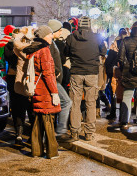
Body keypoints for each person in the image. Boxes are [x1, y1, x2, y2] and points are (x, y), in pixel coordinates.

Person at [63, 15, 104, 141]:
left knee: (75, 103)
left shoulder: (71, 37)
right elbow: (103, 52)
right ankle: (89, 133)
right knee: (90, 103)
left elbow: (66, 52)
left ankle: (74, 131)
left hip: (76, 72)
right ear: (90, 25)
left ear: (78, 25)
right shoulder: (97, 38)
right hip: (92, 72)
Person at [26, 24, 61, 159]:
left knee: (37, 121)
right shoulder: (44, 50)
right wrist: (54, 92)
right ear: (45, 36)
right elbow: (48, 73)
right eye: (50, 34)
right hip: (45, 89)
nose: (52, 36)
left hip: (36, 88)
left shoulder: (33, 49)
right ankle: (52, 152)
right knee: (48, 120)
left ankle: (36, 150)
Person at [118, 23, 137, 133]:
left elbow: (120, 57)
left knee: (127, 96)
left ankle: (125, 121)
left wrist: (123, 70)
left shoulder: (126, 41)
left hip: (129, 73)